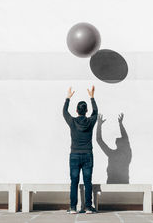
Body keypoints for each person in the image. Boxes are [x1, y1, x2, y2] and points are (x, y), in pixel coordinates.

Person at [63, 86, 98, 214]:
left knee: (74, 181)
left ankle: (73, 208)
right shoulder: (90, 121)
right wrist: (92, 97)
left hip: (74, 155)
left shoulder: (72, 121)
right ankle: (88, 207)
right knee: (88, 181)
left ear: (77, 111)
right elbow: (96, 112)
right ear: (86, 110)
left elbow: (64, 112)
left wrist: (68, 98)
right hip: (88, 154)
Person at [96, 113, 132, 184]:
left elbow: (99, 140)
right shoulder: (126, 153)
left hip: (115, 182)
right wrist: (120, 124)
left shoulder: (112, 154)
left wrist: (99, 125)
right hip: (117, 182)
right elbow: (99, 140)